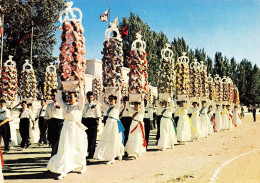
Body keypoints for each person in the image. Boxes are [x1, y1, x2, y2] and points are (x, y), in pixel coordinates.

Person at [47, 87, 88, 180]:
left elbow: (82, 98)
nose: (69, 99)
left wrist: (81, 87)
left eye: (71, 97)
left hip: (76, 130)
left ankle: (83, 165)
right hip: (66, 130)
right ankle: (63, 170)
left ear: (75, 98)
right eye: (68, 97)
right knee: (65, 148)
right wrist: (60, 90)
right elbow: (59, 99)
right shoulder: (65, 106)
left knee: (78, 147)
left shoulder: (79, 106)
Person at [94, 87, 124, 164]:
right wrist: (102, 92)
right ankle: (110, 156)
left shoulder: (117, 106)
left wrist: (119, 90)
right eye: (109, 99)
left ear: (114, 100)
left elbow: (119, 99)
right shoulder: (107, 106)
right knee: (107, 140)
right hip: (108, 124)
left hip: (114, 124)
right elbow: (100, 101)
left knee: (114, 140)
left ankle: (114, 156)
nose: (110, 100)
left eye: (112, 99)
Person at [82, 91, 101, 159]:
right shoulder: (84, 105)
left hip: (93, 121)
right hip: (86, 121)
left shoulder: (96, 105)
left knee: (92, 139)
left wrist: (98, 125)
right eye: (88, 97)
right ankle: (86, 152)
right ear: (86, 97)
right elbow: (83, 115)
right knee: (86, 138)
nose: (90, 99)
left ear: (93, 97)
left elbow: (98, 116)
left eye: (91, 97)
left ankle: (91, 154)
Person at [45, 89, 64, 157]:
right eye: (52, 95)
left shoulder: (62, 104)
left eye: (55, 95)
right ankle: (54, 152)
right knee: (51, 139)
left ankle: (54, 154)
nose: (53, 97)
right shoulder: (49, 105)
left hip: (59, 123)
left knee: (57, 140)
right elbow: (46, 116)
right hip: (51, 123)